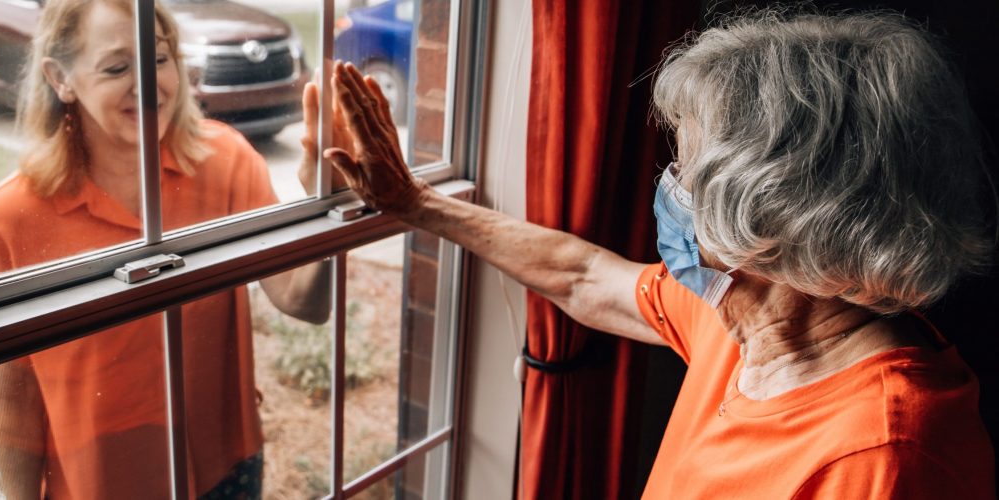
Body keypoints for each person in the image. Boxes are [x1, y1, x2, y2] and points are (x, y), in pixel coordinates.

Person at [321, 10, 997, 498]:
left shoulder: (888, 455)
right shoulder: (744, 315)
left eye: (687, 170)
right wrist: (417, 205)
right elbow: (583, 277)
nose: (667, 190)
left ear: (776, 216)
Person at [0, 0, 332, 498]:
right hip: (98, 483)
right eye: (118, 67)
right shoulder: (10, 217)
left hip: (222, 466)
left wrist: (327, 207)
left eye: (160, 59)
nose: (148, 85)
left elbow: (304, 303)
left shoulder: (227, 162)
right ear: (61, 79)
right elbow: (14, 390)